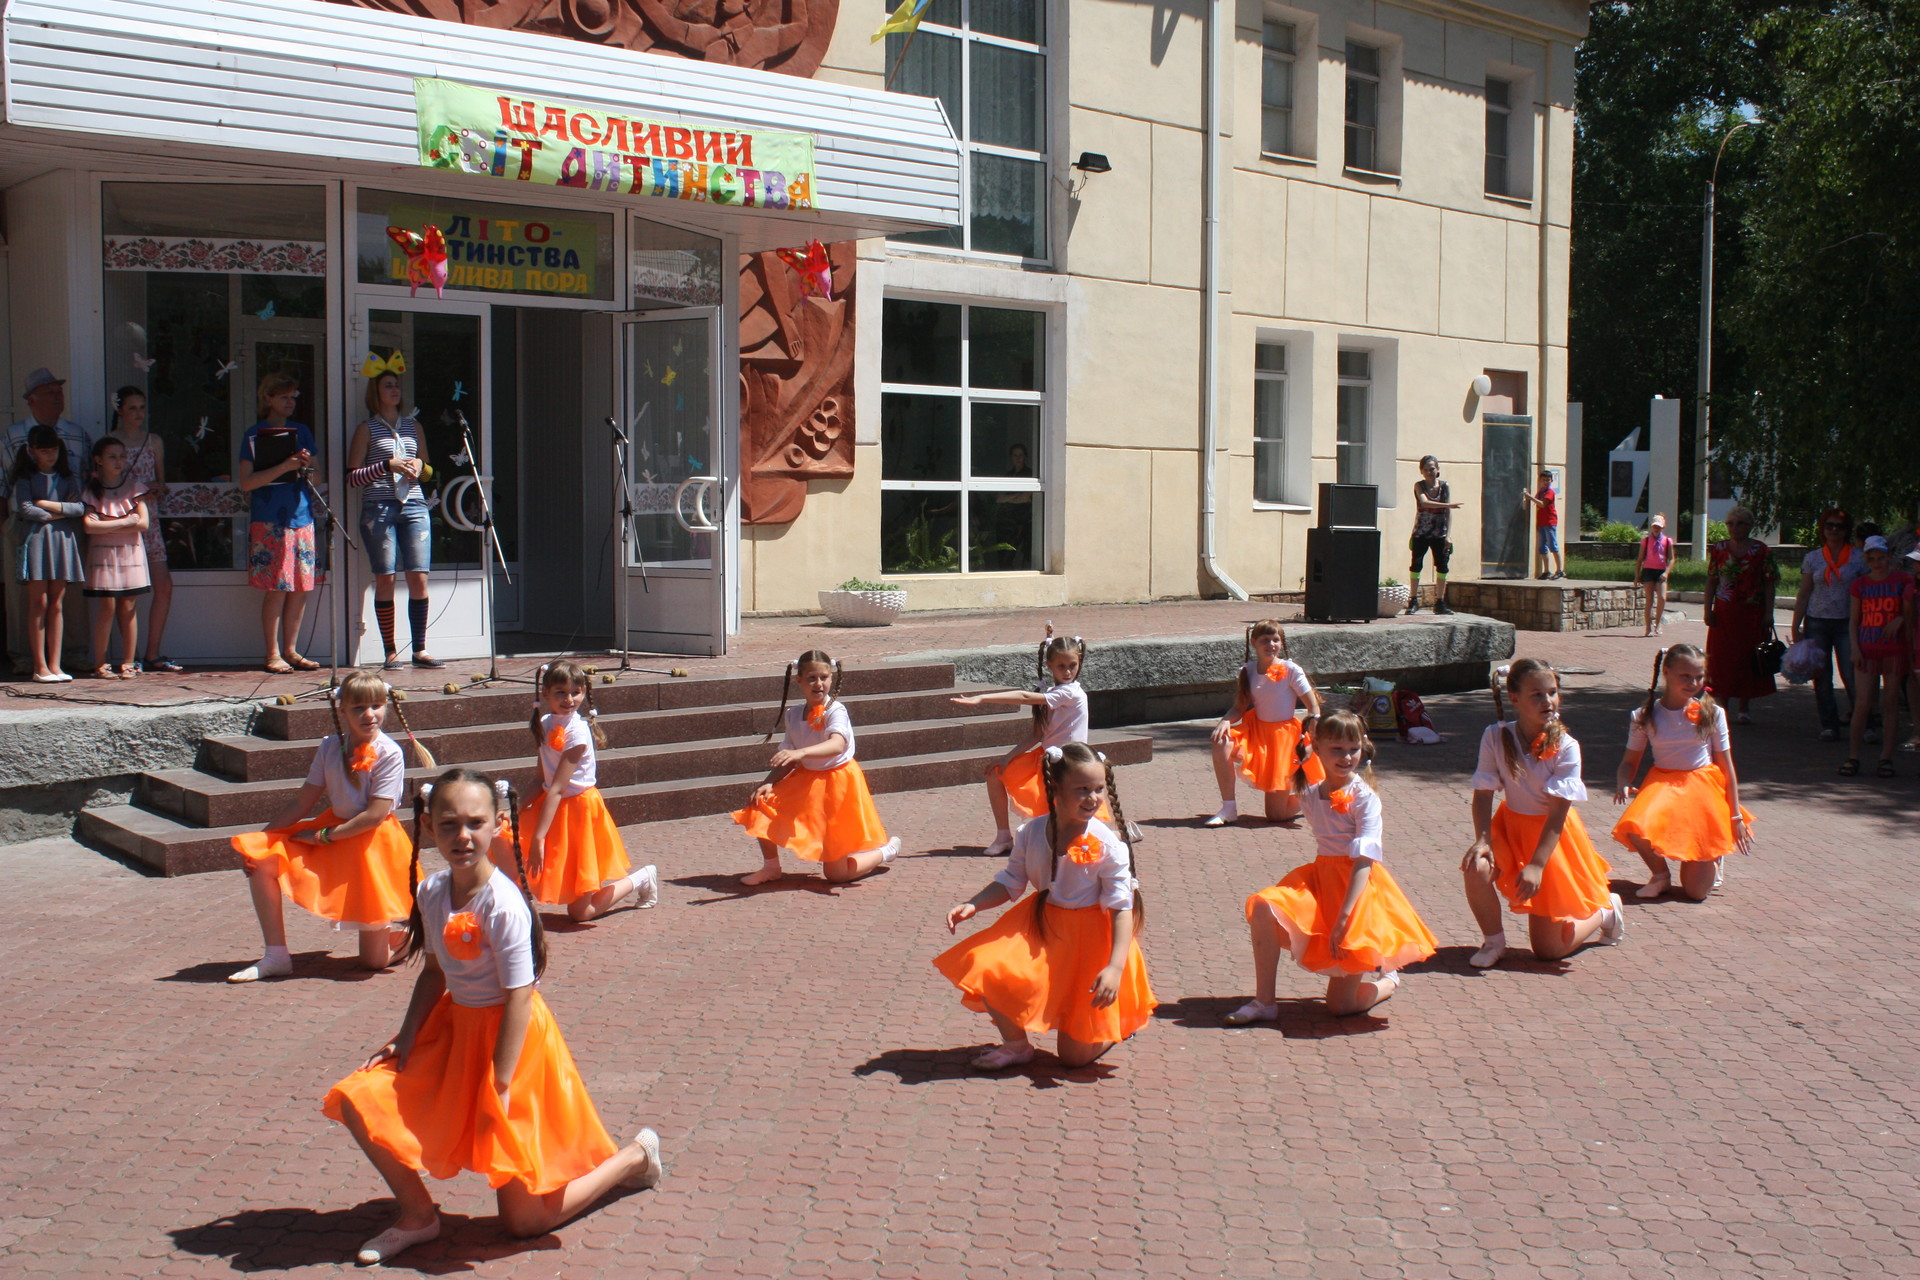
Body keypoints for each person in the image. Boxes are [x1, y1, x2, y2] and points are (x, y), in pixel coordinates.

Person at [322, 769, 664, 1265]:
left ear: (498, 823)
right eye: (448, 824)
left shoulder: (503, 904)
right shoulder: (432, 891)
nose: (462, 836)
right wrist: (405, 1039)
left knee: (524, 1223)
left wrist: (500, 1083)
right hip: (454, 1030)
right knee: (359, 1097)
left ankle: (635, 1156)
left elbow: (520, 997)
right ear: (429, 827)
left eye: (475, 823)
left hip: (514, 1043)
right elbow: (434, 974)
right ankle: (418, 1216)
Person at [935, 742, 1155, 1070]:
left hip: (1091, 940)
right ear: (1054, 788)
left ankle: (1121, 1025)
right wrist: (974, 904)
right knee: (987, 964)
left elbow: (1122, 907)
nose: (1093, 798)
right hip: (1043, 924)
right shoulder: (1031, 832)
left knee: (1074, 1058)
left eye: (1098, 789)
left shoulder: (1108, 845)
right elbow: (1011, 881)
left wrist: (1115, 967)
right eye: (1082, 789)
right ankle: (1016, 1046)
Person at [1223, 711, 1437, 1024]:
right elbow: (1282, 794)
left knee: (1339, 1006)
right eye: (1336, 749)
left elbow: (1364, 861)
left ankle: (1387, 981)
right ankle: (1264, 1001)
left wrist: (1345, 917)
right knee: (1265, 908)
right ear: (1318, 748)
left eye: (1353, 748)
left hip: (1357, 889)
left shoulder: (1365, 799)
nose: (1346, 756)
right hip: (1321, 878)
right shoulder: (1310, 793)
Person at [226, 670, 429, 982]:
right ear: (342, 710)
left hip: (370, 843)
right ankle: (276, 956)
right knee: (263, 860)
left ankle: (413, 937)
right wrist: (262, 840)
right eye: (359, 708)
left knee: (372, 964)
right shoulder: (330, 746)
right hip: (334, 830)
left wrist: (322, 837)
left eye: (376, 705)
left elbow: (374, 814)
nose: (370, 715)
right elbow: (302, 802)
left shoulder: (390, 752)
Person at [1460, 658, 1624, 967]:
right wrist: (1482, 840)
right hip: (1509, 827)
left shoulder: (1567, 746)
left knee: (1548, 950)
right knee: (1476, 867)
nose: (1547, 701)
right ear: (1514, 699)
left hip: (1551, 837)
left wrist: (1536, 865)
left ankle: (1606, 911)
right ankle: (1494, 942)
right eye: (1536, 694)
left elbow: (1558, 814)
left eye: (1552, 692)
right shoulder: (1494, 736)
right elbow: (1482, 795)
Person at [731, 650, 900, 886]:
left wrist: (801, 753)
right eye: (811, 678)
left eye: (824, 677)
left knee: (836, 875)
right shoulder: (793, 715)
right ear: (799, 680)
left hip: (838, 784)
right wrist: (768, 782)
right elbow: (788, 757)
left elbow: (837, 744)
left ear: (831, 678)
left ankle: (887, 851)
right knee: (762, 804)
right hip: (807, 779)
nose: (818, 683)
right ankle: (771, 868)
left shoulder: (836, 710)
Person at [505, 660, 658, 918]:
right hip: (552, 805)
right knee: (503, 835)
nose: (569, 699)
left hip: (578, 811)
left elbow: (556, 788)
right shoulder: (544, 723)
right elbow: (540, 779)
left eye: (575, 692)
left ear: (584, 693)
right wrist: (515, 811)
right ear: (545, 694)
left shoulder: (577, 733)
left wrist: (539, 839)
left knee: (580, 912)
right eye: (560, 693)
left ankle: (642, 878)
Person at [1611, 645, 1754, 901]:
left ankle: (1712, 852)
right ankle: (1660, 876)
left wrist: (1734, 816)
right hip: (1664, 783)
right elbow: (1629, 762)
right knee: (1634, 825)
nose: (1693, 683)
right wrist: (1623, 780)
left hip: (1701, 787)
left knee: (1696, 893)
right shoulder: (1644, 716)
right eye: (1685, 676)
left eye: (1699, 677)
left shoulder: (1712, 713)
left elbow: (1726, 767)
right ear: (1667, 672)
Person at [951, 627, 1091, 854]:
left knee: (1073, 822)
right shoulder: (1055, 692)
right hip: (1047, 757)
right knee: (995, 772)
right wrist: (1007, 758)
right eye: (1061, 666)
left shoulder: (1070, 693)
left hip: (1069, 763)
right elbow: (1037, 735)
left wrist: (982, 698)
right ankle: (1003, 837)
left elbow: (1025, 697)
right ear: (1050, 666)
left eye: (1072, 666)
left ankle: (1120, 834)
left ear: (1080, 662)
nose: (1067, 671)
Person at [347, 353, 443, 669]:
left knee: (419, 576)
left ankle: (420, 648)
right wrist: (386, 465)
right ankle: (390, 651)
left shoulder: (413, 426)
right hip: (379, 506)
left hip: (414, 503)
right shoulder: (367, 429)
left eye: (397, 385)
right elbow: (352, 477)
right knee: (386, 577)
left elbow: (431, 472)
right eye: (388, 385)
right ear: (376, 392)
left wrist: (421, 467)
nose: (395, 390)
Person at [3, 369, 91, 677]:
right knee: (25, 597)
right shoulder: (13, 435)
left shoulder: (78, 434)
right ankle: (26, 658)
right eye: (50, 392)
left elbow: (84, 483)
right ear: (32, 399)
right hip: (24, 528)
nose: (58, 396)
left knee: (68, 595)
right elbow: (5, 484)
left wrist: (63, 512)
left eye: (59, 391)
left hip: (67, 530)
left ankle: (72, 654)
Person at [236, 373, 320, 674]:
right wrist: (284, 465)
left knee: (300, 586)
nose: (290, 402)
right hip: (270, 518)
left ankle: (291, 650)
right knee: (277, 586)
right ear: (268, 398)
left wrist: (307, 465)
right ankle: (272, 653)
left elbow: (318, 478)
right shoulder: (254, 434)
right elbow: (247, 483)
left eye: (293, 397)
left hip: (302, 517)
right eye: (284, 396)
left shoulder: (302, 432)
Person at [1204, 620, 1325, 826]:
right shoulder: (1248, 670)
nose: (1271, 645)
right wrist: (1225, 721)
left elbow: (1314, 708)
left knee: (1276, 816)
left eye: (1276, 640)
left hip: (1283, 740)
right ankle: (1229, 809)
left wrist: (1311, 736)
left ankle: (1315, 794)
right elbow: (1239, 707)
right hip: (1256, 733)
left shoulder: (1291, 669)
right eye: (1265, 640)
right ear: (1254, 643)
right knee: (1221, 741)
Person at [107, 386, 182, 672]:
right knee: (128, 591)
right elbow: (106, 485)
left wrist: (155, 489)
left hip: (150, 518)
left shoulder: (154, 441)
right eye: (132, 408)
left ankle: (153, 652)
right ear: (120, 411)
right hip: (123, 519)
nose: (138, 414)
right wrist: (139, 489)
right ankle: (131, 656)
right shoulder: (110, 442)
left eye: (141, 407)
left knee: (163, 584)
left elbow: (161, 481)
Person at [1840, 536, 1913, 779]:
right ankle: (1853, 756)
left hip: (1894, 649)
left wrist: (1901, 619)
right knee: (1862, 703)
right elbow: (1854, 620)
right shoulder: (1860, 584)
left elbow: (1911, 611)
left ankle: (1886, 757)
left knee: (1891, 703)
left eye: (1881, 558)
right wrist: (1855, 648)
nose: (1878, 563)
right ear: (1867, 559)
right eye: (1872, 558)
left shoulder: (1902, 580)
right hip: (1867, 648)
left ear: (1888, 558)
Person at [80, 437, 151, 679]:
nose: (119, 461)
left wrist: (107, 524)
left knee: (129, 606)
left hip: (129, 554)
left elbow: (143, 523)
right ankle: (100, 663)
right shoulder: (91, 490)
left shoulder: (134, 487)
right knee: (106, 607)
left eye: (121, 456)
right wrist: (125, 522)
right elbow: (89, 526)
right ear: (98, 460)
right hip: (104, 555)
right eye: (112, 456)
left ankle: (129, 662)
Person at [1790, 509, 1861, 741]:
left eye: (1839, 526)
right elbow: (1804, 593)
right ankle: (1829, 724)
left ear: (1846, 530)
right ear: (1823, 528)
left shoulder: (1858, 557)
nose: (1833, 530)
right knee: (1821, 676)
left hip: (1847, 622)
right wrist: (1795, 625)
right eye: (1829, 525)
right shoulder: (1813, 557)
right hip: (1817, 621)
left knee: (1851, 675)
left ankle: (1865, 722)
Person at [1704, 506, 1778, 723]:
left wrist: (1768, 612)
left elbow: (1770, 584)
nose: (1735, 528)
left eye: (1741, 523)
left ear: (1750, 526)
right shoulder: (1719, 549)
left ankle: (1744, 707)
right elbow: (1711, 581)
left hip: (1752, 613)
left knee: (1749, 659)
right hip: (1725, 613)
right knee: (1722, 660)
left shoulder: (1761, 550)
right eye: (1731, 523)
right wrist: (1707, 609)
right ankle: (1722, 708)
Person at [1406, 455, 1461, 614]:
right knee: (1416, 564)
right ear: (1421, 471)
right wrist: (1449, 505)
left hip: (1439, 532)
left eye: (1432, 469)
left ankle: (1439, 601)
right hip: (1421, 531)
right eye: (1426, 469)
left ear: (1437, 470)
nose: (1429, 472)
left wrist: (1448, 535)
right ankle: (1413, 599)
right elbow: (1424, 502)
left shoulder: (1444, 486)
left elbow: (1448, 513)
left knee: (1442, 566)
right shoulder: (1419, 486)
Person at [1635, 513, 1675, 637]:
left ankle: (1658, 625)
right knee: (1649, 600)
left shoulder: (1667, 541)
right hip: (1648, 570)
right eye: (1654, 526)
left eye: (1658, 526)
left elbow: (1672, 559)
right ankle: (1648, 627)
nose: (1656, 529)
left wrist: (1667, 572)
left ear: (1662, 527)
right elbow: (1640, 559)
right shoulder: (1646, 541)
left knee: (1662, 598)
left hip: (1661, 571)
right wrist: (1637, 576)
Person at [1520, 468, 1563, 579]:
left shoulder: (1550, 492)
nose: (1546, 482)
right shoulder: (1541, 491)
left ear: (1551, 481)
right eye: (1544, 480)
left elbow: (1542, 504)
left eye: (1548, 480)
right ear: (1540, 480)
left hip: (1549, 521)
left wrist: (1530, 497)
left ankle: (1559, 570)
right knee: (1542, 547)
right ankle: (1546, 570)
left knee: (1552, 545)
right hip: (1541, 522)